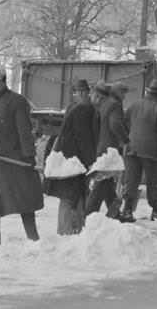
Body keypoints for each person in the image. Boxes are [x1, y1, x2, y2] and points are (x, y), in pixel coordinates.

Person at [0, 67, 44, 245]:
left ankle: (33, 236)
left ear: (4, 82)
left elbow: (24, 131)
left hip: (15, 159)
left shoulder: (17, 101)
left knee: (24, 197)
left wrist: (28, 155)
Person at [45, 79, 97, 234]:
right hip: (75, 159)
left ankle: (73, 227)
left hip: (68, 157)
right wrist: (90, 160)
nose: (80, 94)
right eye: (79, 91)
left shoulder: (73, 106)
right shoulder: (85, 108)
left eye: (82, 91)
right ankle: (67, 230)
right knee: (71, 194)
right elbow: (83, 136)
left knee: (73, 194)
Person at [120, 80, 157, 222]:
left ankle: (127, 210)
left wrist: (129, 138)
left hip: (132, 149)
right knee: (153, 182)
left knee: (131, 181)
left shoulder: (135, 105)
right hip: (150, 151)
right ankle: (156, 210)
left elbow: (123, 123)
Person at [86, 81, 129, 219]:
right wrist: (126, 139)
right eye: (124, 93)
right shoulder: (114, 105)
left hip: (100, 146)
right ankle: (89, 214)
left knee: (108, 181)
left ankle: (115, 212)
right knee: (103, 182)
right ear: (117, 92)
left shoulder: (101, 105)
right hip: (109, 148)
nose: (125, 96)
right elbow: (115, 124)